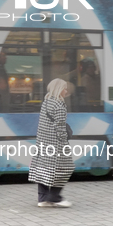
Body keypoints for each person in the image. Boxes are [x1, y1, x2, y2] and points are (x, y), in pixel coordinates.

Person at [28, 78, 75, 208]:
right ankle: (54, 197)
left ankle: (42, 199)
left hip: (43, 142)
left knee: (43, 170)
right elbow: (59, 127)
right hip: (56, 144)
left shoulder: (47, 102)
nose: (66, 91)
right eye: (64, 88)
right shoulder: (59, 105)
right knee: (64, 169)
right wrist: (64, 140)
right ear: (59, 89)